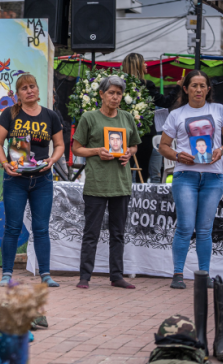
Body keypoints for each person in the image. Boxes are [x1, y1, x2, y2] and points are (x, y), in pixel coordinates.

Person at [158, 70, 223, 289]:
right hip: (185, 176)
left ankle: (204, 275)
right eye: (194, 86)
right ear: (185, 89)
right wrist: (176, 155)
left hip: (213, 177)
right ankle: (178, 275)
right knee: (184, 226)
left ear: (208, 89)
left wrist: (220, 150)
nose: (199, 90)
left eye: (203, 86)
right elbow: (163, 146)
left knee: (204, 229)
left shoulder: (219, 110)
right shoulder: (176, 114)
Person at [0, 73, 65, 288]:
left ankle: (45, 274)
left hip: (42, 180)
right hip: (15, 179)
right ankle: (6, 274)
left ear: (38, 90)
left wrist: (53, 159)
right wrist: (5, 163)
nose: (29, 90)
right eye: (24, 88)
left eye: (32, 86)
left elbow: (60, 145)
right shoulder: (9, 114)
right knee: (12, 227)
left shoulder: (51, 116)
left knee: (41, 228)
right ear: (18, 94)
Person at [72, 75, 141, 290]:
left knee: (118, 233)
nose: (115, 97)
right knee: (91, 233)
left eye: (119, 93)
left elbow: (134, 146)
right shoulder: (89, 118)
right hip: (96, 183)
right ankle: (85, 276)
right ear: (101, 94)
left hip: (121, 183)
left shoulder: (127, 118)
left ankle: (117, 275)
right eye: (111, 92)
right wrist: (96, 151)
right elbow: (76, 148)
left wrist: (129, 152)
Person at [122, 53, 181, 183]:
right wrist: (178, 87)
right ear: (137, 66)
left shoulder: (119, 85)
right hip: (144, 134)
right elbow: (165, 102)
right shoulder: (146, 85)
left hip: (123, 132)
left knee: (123, 167)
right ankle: (137, 198)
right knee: (141, 171)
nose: (146, 64)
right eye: (143, 62)